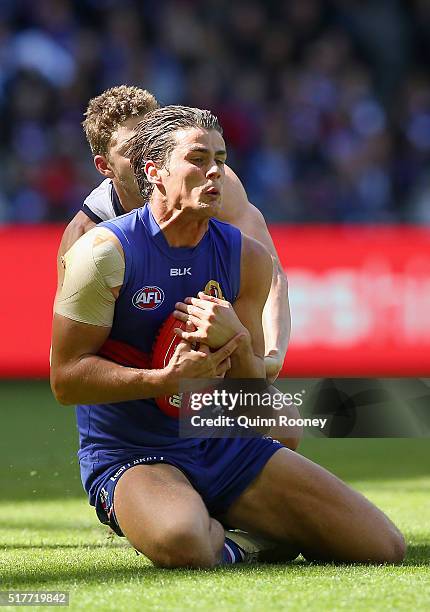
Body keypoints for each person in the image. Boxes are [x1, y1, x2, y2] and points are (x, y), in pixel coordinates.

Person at [50, 105, 405, 568]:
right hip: (131, 453)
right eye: (197, 159)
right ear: (154, 172)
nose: (214, 170)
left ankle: (237, 537)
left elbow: (249, 399)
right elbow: (65, 380)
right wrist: (164, 380)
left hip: (220, 438)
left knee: (382, 548)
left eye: (220, 157)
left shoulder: (246, 259)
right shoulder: (100, 254)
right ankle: (241, 534)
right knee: (185, 542)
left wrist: (236, 339)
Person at [57, 86, 290, 385]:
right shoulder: (87, 236)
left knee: (283, 423)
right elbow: (69, 361)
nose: (146, 157)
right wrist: (164, 378)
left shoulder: (214, 185)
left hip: (206, 362)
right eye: (132, 150)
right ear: (105, 166)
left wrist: (271, 358)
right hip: (134, 381)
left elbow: (270, 275)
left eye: (153, 143)